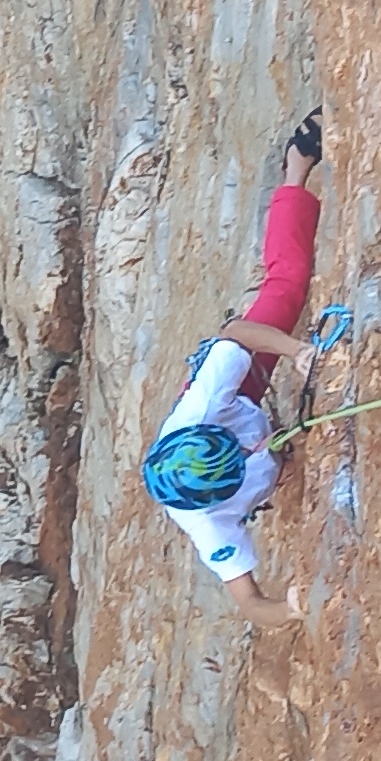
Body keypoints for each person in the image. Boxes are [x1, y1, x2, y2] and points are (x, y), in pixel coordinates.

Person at [142, 113, 324, 617]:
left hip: (239, 392)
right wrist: (290, 607)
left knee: (288, 283)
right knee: (283, 471)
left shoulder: (201, 409)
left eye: (238, 448)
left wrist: (297, 351)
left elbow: (235, 334)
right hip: (264, 459)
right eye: (243, 457)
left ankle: (295, 170)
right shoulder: (210, 525)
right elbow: (247, 602)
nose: (252, 447)